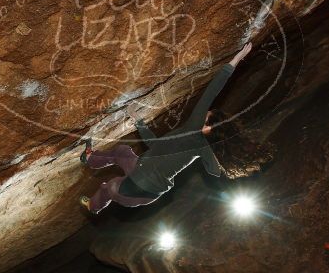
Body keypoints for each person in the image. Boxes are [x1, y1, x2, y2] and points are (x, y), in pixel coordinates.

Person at [79, 42, 253, 214]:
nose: (204, 113)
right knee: (123, 154)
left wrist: (236, 59)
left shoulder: (194, 126)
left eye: (206, 115)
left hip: (132, 186)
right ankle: (91, 170)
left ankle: (94, 192)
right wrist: (139, 121)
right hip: (148, 196)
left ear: (208, 126)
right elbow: (213, 171)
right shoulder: (203, 148)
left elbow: (212, 91)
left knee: (109, 187)